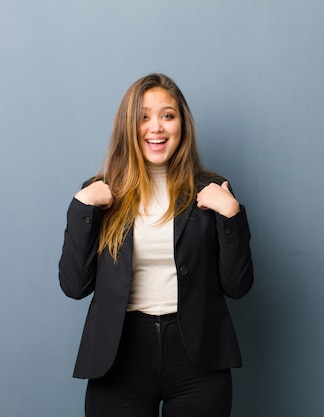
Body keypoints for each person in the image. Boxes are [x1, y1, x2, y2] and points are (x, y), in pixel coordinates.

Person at [58, 73, 254, 417]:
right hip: (119, 358)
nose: (156, 128)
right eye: (143, 117)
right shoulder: (99, 193)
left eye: (167, 115)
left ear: (182, 124)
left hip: (198, 362)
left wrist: (232, 215)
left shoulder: (212, 190)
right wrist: (80, 209)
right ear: (128, 127)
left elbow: (237, 286)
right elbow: (75, 287)